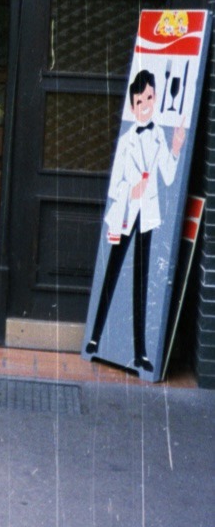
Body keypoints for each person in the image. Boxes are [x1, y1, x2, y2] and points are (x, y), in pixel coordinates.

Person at [85, 68, 185, 373]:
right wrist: (132, 189)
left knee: (140, 283)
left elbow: (168, 175)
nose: (146, 105)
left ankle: (140, 353)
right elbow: (115, 186)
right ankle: (95, 339)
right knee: (112, 273)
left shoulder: (157, 134)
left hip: (147, 217)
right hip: (125, 215)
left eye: (150, 98)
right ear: (132, 105)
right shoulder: (128, 140)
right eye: (140, 101)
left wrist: (176, 147)